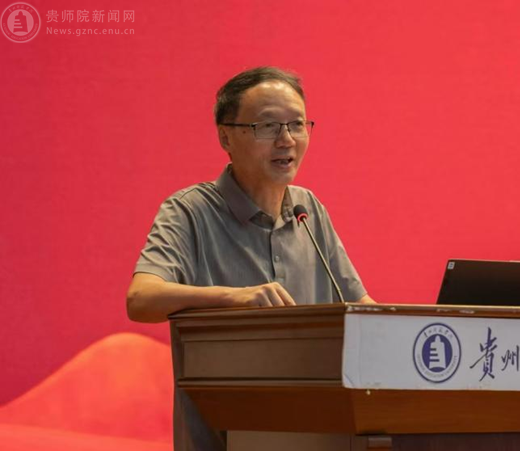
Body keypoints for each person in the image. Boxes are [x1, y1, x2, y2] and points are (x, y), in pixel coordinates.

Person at [127, 66, 374, 450]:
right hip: (224, 437)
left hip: (316, 433)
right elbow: (141, 299)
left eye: (297, 124)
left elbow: (361, 307)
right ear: (226, 136)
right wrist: (235, 297)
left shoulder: (308, 210)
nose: (286, 140)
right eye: (267, 126)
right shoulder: (190, 210)